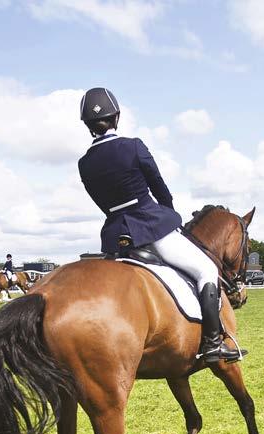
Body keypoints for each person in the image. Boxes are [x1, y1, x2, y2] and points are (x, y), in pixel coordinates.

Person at [78, 87, 243, 363]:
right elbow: (160, 189)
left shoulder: (85, 163)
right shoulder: (133, 146)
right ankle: (213, 344)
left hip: (116, 236)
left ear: (87, 125)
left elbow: (102, 202)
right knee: (205, 269)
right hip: (150, 225)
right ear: (116, 117)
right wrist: (169, 217)